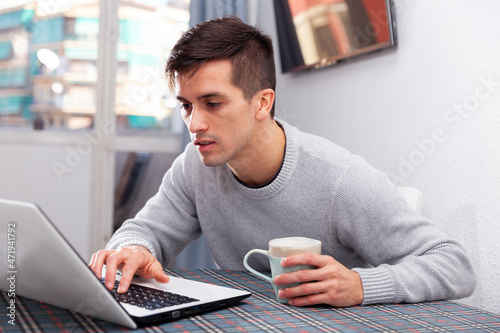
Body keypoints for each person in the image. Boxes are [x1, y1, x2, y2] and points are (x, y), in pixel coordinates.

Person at [90, 16, 476, 307]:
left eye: (213, 103)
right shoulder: (195, 165)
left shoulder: (340, 180)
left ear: (262, 102)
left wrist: (360, 285)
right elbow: (146, 230)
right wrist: (133, 248)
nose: (195, 123)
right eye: (186, 106)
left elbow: (454, 265)